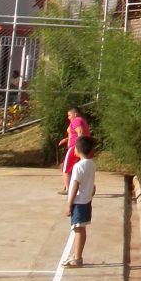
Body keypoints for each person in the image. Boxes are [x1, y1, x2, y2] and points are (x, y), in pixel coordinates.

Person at [64, 135, 96, 268]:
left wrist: (69, 204)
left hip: (79, 202)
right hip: (86, 200)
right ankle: (77, 255)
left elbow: (75, 185)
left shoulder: (78, 166)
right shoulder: (91, 164)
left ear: (77, 149)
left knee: (78, 229)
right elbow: (92, 185)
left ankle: (77, 257)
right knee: (80, 228)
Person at [57, 107, 91, 195]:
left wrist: (77, 147)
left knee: (66, 168)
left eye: (69, 115)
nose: (68, 117)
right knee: (72, 167)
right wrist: (67, 139)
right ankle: (73, 186)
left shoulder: (76, 120)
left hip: (74, 147)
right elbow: (77, 133)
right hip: (80, 146)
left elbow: (80, 132)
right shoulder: (82, 120)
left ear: (75, 114)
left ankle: (68, 189)